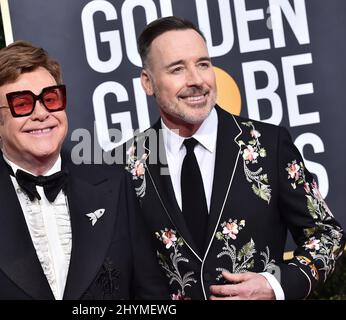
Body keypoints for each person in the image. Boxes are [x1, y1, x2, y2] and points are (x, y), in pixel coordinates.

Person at [0, 41, 168, 299]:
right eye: (22, 104)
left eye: (50, 98)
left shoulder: (115, 186)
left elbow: (151, 297)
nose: (41, 113)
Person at [121, 16, 345, 300]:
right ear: (148, 82)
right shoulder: (126, 165)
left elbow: (327, 235)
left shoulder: (267, 145)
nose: (196, 80)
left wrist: (275, 287)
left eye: (203, 64)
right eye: (177, 69)